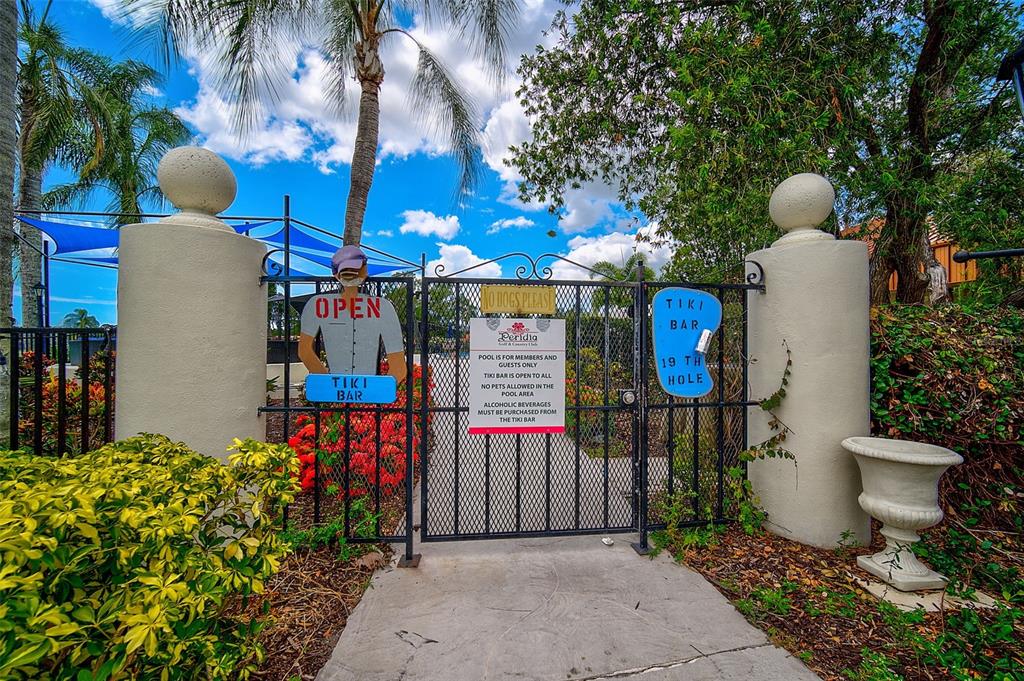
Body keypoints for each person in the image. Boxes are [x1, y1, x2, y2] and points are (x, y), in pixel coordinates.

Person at [297, 245, 407, 384]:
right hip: (344, 390)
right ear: (336, 274)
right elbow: (304, 351)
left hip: (365, 389)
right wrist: (331, 385)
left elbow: (398, 366)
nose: (351, 273)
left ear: (365, 271)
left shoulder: (383, 307)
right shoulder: (316, 305)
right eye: (346, 270)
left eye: (355, 268)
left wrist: (375, 392)